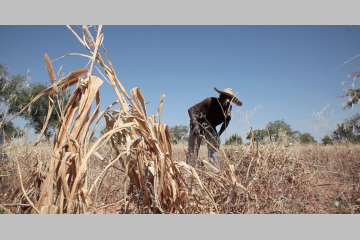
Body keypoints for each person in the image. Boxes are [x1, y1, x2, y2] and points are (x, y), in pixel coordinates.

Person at [186, 87, 242, 169]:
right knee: (193, 150)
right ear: (220, 96)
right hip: (198, 124)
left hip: (211, 128)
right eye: (225, 97)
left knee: (214, 149)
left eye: (229, 99)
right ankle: (189, 170)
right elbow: (191, 109)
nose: (227, 100)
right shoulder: (209, 101)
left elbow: (226, 122)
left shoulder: (228, 108)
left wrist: (219, 134)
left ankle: (215, 170)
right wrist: (196, 125)